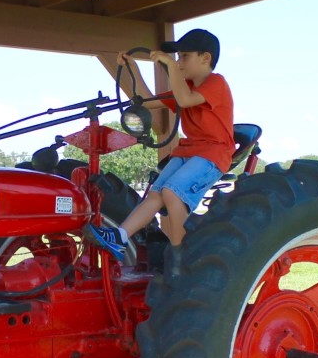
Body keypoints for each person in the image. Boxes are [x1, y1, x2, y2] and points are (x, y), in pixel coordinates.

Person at [84, 28, 234, 276]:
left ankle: (182, 255)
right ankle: (119, 237)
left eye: (184, 57)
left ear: (205, 58)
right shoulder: (183, 84)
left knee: (172, 192)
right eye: (178, 57)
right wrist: (133, 69)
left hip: (213, 154)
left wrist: (169, 66)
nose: (178, 62)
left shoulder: (216, 83)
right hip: (190, 150)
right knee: (155, 194)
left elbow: (185, 100)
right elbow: (144, 100)